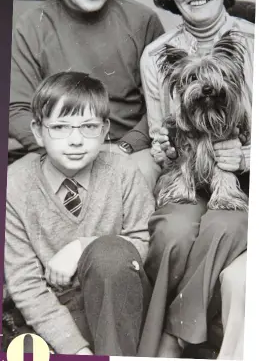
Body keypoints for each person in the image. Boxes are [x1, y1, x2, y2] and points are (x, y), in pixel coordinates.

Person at [138, 0, 252, 358]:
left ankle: (169, 337)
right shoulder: (157, 54)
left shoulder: (252, 42)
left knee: (225, 226)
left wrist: (244, 155)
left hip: (240, 182)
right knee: (174, 231)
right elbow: (156, 134)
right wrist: (164, 146)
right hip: (185, 174)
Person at [4, 71, 154, 356]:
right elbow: (25, 284)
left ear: (105, 129)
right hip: (52, 315)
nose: (75, 140)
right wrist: (78, 351)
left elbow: (145, 242)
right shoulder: (15, 184)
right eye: (60, 127)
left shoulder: (122, 171)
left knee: (111, 251)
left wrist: (83, 247)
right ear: (37, 130)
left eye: (88, 126)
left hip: (119, 305)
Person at [9, 0, 164, 189]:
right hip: (59, 149)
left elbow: (164, 103)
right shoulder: (32, 24)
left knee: (130, 194)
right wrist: (63, 149)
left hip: (129, 148)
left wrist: (128, 146)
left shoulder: (143, 20)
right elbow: (16, 110)